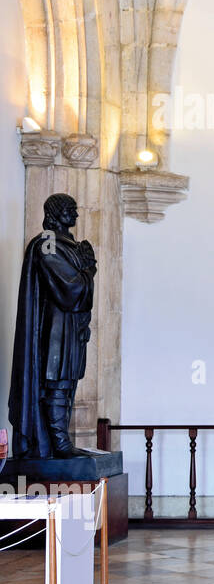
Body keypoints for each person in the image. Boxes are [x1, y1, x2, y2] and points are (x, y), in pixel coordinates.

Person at [8, 194, 102, 459]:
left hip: (70, 325)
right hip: (54, 327)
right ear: (56, 212)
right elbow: (69, 286)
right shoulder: (47, 242)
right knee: (57, 383)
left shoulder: (68, 244)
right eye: (70, 209)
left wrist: (86, 267)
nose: (76, 214)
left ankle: (60, 441)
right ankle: (58, 444)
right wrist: (88, 270)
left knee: (67, 381)